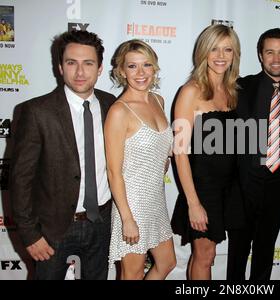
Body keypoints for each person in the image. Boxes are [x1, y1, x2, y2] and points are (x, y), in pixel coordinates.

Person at [9, 30, 116, 280]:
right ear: (60, 66)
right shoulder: (36, 111)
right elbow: (20, 179)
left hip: (102, 222)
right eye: (71, 63)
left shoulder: (112, 105)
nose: (80, 72)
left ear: (100, 68)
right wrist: (30, 235)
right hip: (52, 229)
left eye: (88, 63)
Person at [226, 28, 280, 280]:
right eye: (269, 52)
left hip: (277, 184)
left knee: (265, 250)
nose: (275, 58)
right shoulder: (240, 87)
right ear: (260, 55)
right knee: (238, 252)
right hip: (243, 185)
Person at [171, 24, 241, 280]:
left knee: (205, 256)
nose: (221, 56)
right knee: (205, 255)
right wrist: (193, 203)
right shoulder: (190, 92)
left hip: (227, 188)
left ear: (235, 54)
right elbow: (180, 153)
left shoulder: (232, 91)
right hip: (202, 188)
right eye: (214, 48)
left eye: (227, 49)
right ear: (203, 52)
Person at [106, 39, 176, 280]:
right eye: (132, 66)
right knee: (132, 274)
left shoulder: (158, 101)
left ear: (154, 68)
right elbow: (114, 172)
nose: (140, 73)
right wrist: (127, 218)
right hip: (132, 204)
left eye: (146, 65)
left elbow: (160, 152)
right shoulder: (119, 111)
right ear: (121, 71)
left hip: (156, 200)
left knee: (167, 263)